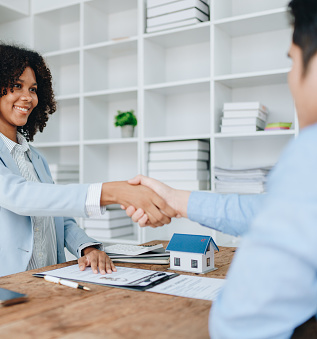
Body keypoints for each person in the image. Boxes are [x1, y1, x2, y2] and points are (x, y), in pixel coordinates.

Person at [125, 1, 317, 337]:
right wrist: (174, 199)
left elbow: (244, 321)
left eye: (292, 60)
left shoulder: (310, 153)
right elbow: (271, 211)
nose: (290, 77)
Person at [0, 41, 177, 287]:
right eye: (16, 86)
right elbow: (18, 196)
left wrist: (86, 247)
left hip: (42, 282)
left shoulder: (35, 156)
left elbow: (56, 215)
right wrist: (112, 192)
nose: (28, 97)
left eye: (33, 89)